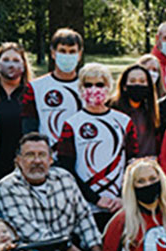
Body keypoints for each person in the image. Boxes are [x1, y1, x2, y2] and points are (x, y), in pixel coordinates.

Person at [0, 133, 103, 251]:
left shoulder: (64, 177)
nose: (37, 161)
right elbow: (27, 230)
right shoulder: (7, 186)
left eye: (42, 155)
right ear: (18, 161)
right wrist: (66, 247)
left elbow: (83, 215)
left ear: (50, 159)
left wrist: (95, 249)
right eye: (29, 155)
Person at [56, 63, 138, 227]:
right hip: (86, 206)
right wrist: (96, 199)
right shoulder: (71, 124)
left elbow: (132, 163)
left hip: (118, 205)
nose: (94, 89)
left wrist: (123, 197)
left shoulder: (124, 122)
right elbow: (66, 169)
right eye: (88, 85)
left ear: (109, 87)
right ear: (80, 88)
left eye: (100, 84)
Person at [22, 28, 84, 146]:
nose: (67, 56)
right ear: (53, 53)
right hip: (48, 156)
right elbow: (29, 129)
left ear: (79, 54)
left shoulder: (89, 88)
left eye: (72, 52)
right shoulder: (35, 87)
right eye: (62, 51)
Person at [0, 42, 32, 183]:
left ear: (23, 66)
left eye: (16, 60)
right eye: (6, 60)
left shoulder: (32, 94)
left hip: (22, 169)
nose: (11, 65)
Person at [109, 63, 161, 157]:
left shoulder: (152, 111)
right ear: (124, 86)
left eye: (142, 81)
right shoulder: (112, 110)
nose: (137, 84)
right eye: (132, 81)